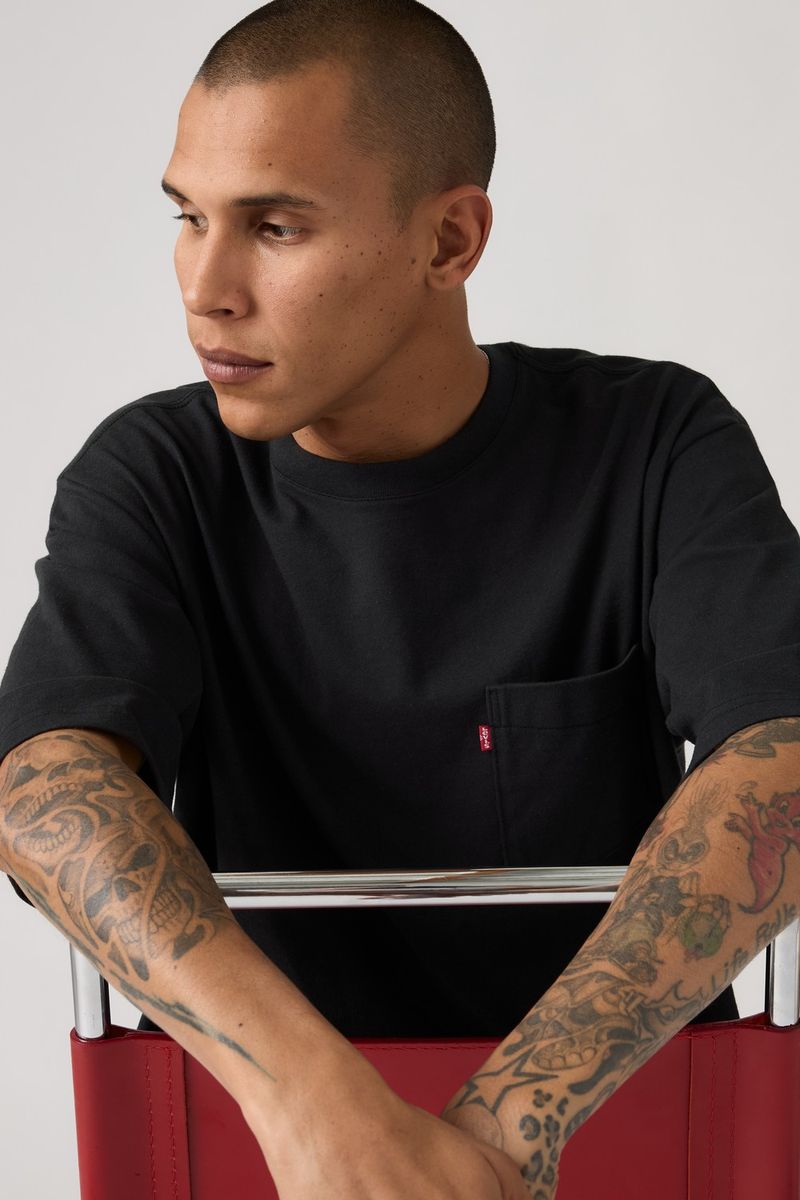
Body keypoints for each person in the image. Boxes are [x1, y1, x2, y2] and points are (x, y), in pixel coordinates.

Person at [1, 2, 800, 1197]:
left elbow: (782, 757)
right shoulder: (153, 473)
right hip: (262, 1150)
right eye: (188, 217)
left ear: (447, 240)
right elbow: (47, 782)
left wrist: (500, 1132)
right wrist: (320, 1111)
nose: (206, 288)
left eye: (274, 226)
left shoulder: (654, 441)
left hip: (628, 1136)